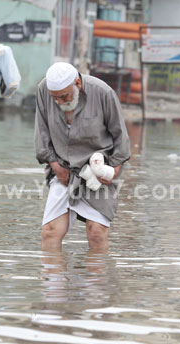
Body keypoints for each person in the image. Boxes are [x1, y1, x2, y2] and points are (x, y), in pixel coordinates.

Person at [35, 62, 131, 252]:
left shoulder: (102, 92)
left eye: (64, 97)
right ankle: (53, 280)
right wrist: (55, 165)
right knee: (50, 231)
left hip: (97, 169)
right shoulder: (43, 90)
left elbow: (121, 137)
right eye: (55, 99)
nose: (60, 103)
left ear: (77, 83)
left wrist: (112, 172)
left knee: (96, 232)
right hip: (63, 167)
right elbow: (42, 132)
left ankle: (96, 281)